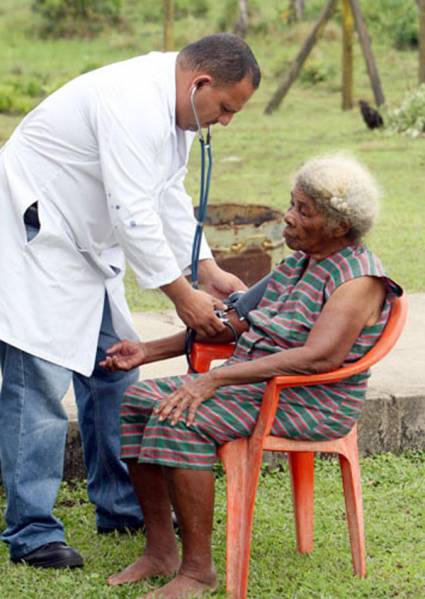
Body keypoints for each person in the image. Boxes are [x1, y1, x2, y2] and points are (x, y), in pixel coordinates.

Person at [0, 33, 261, 568]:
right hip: (35, 240)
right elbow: (131, 209)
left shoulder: (177, 111)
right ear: (201, 83)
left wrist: (205, 267)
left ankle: (120, 506)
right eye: (226, 109)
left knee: (113, 373)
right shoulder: (131, 101)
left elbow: (165, 194)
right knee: (38, 388)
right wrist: (182, 296)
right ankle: (31, 533)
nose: (227, 122)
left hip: (82, 248)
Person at [101, 154, 402, 599]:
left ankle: (198, 572)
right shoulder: (296, 265)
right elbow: (230, 323)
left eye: (304, 210)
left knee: (180, 417)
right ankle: (161, 549)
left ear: (339, 225)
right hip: (254, 387)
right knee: (139, 401)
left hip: (310, 401)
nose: (289, 217)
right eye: (292, 204)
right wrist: (147, 350)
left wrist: (218, 380)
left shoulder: (359, 279)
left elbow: (320, 358)